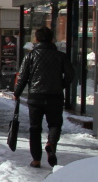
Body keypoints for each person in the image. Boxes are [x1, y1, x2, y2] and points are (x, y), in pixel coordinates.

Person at [14, 26, 75, 168]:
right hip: (55, 96)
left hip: (35, 96)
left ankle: (36, 160)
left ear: (36, 39)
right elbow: (70, 74)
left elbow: (22, 77)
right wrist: (60, 85)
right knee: (55, 124)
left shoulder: (30, 56)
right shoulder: (61, 56)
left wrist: (17, 93)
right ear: (52, 39)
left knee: (35, 128)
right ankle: (51, 143)